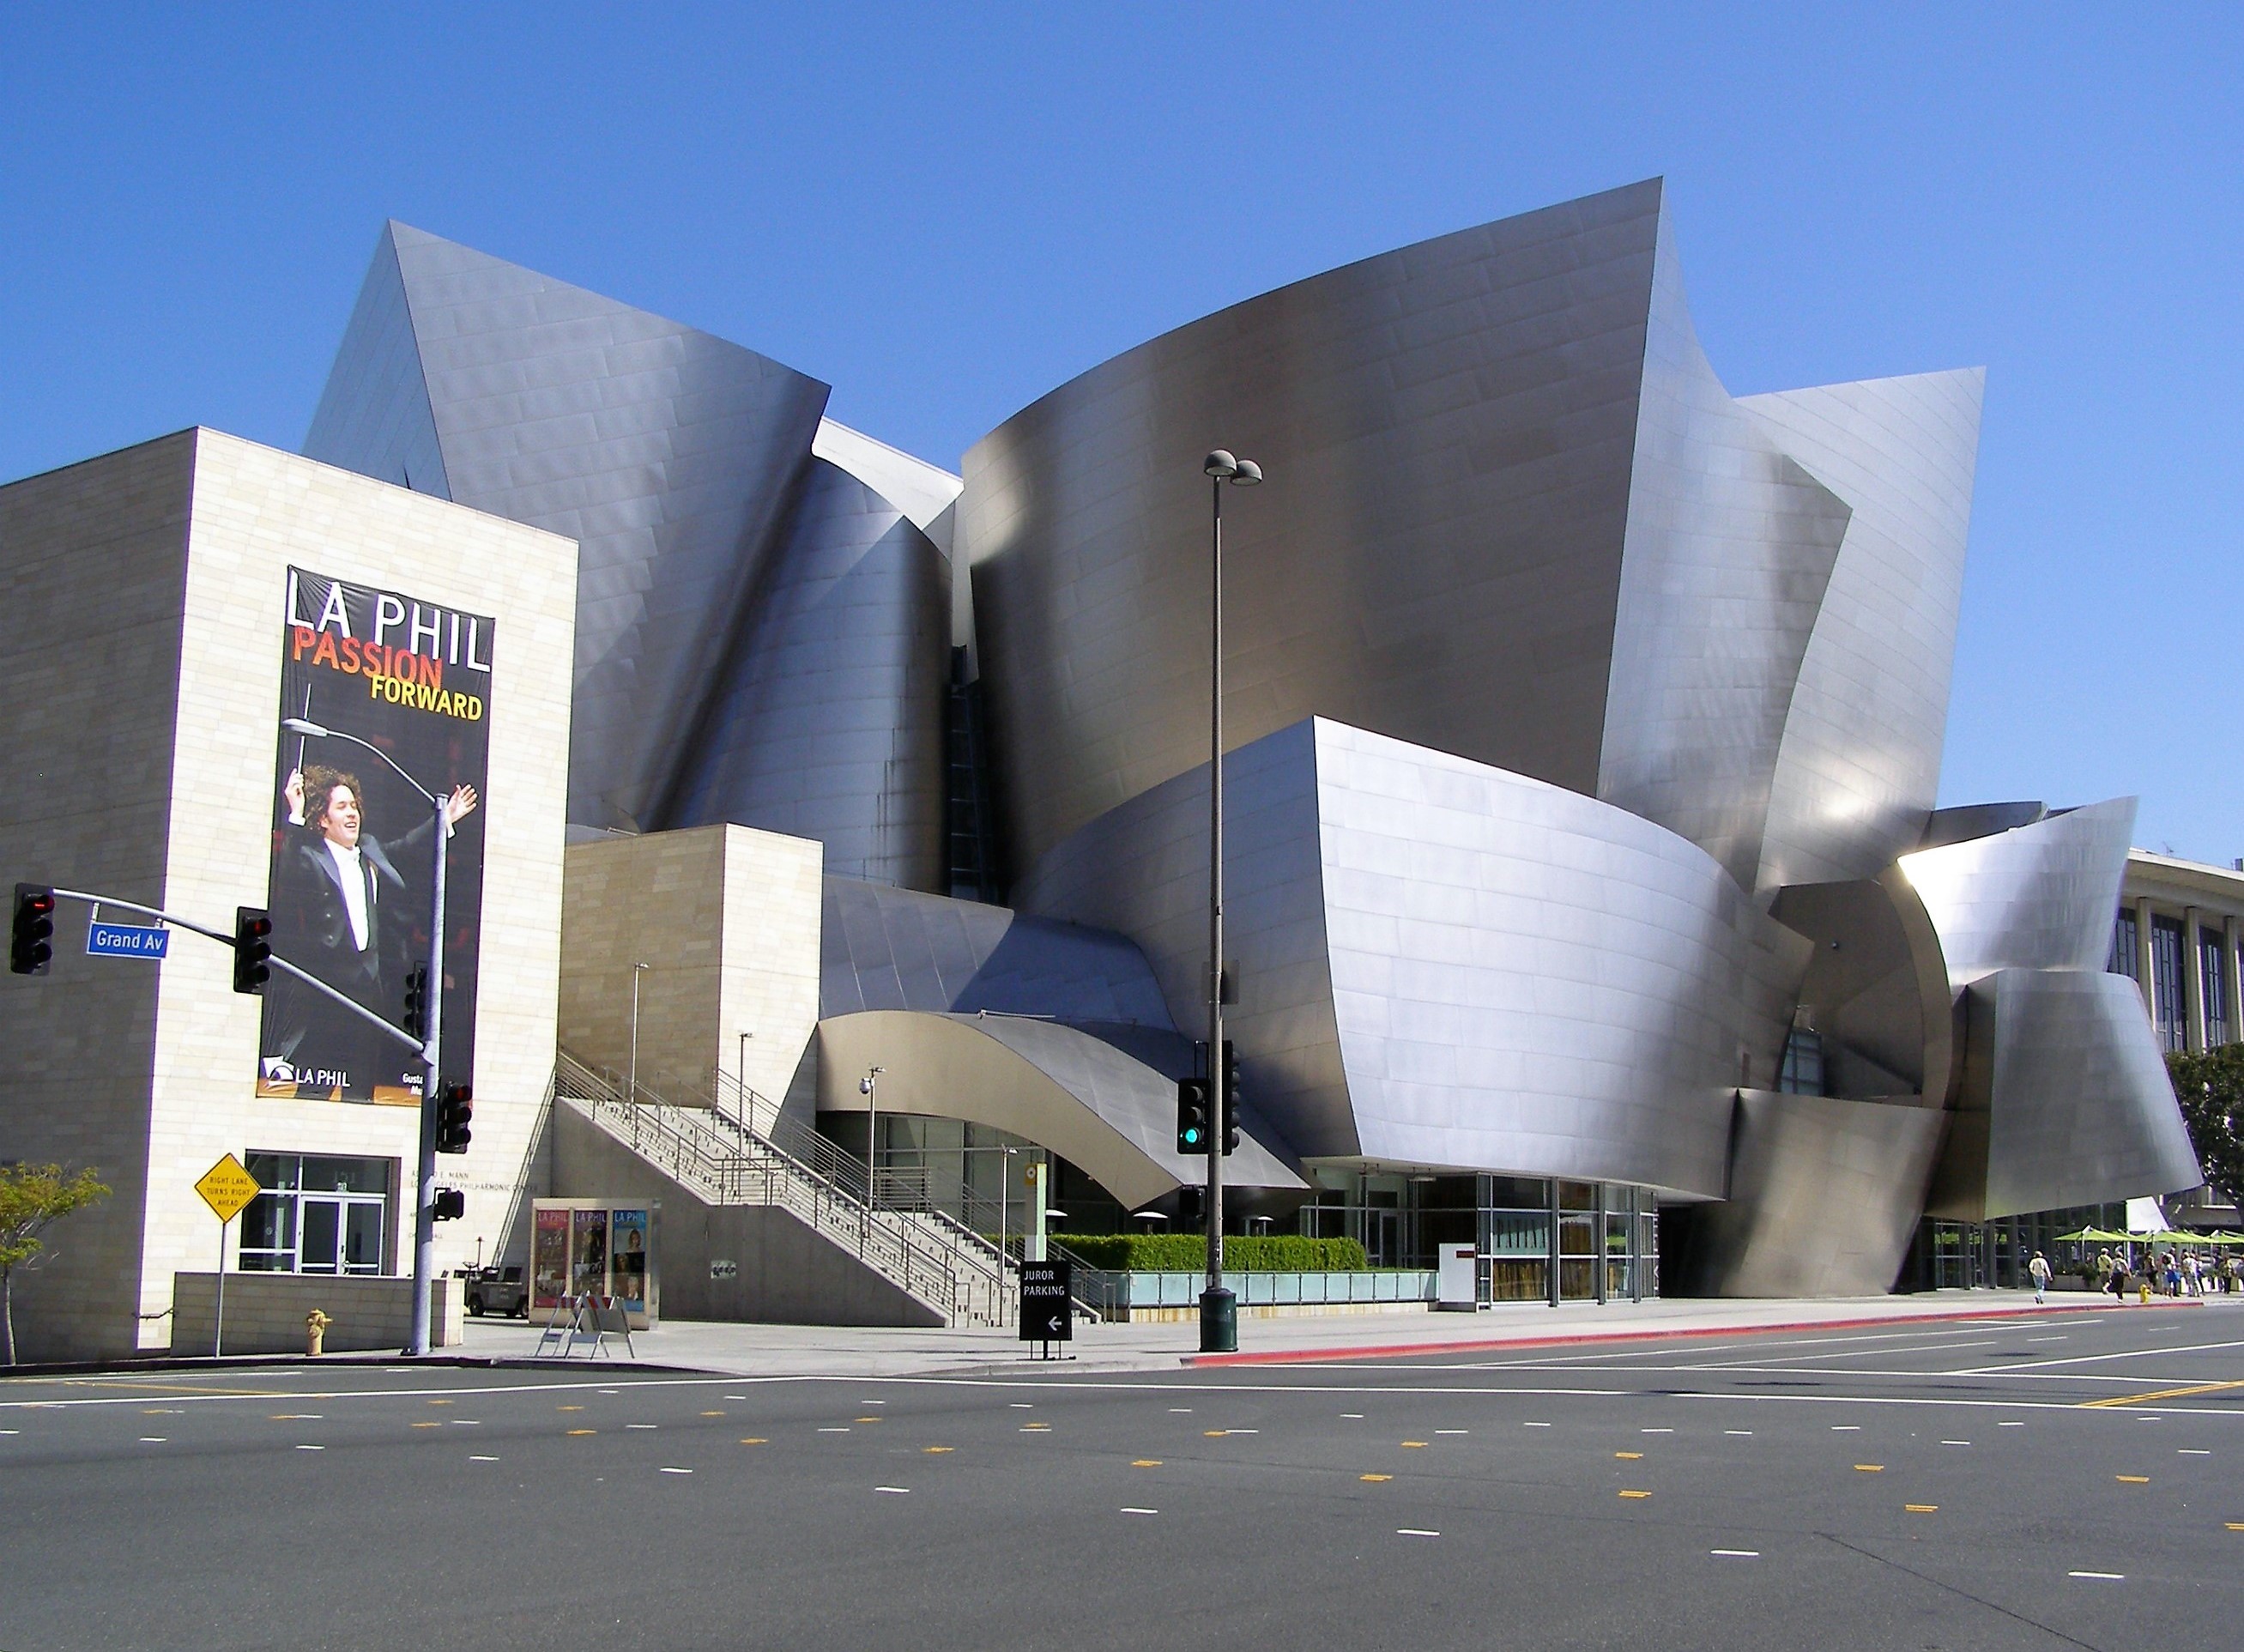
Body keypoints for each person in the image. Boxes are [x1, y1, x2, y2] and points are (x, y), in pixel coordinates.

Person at [268, 763, 478, 1096]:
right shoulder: (308, 856)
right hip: (326, 995)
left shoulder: (369, 849)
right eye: (341, 807)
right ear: (322, 819)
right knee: (315, 1089)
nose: (352, 813)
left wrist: (445, 820)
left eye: (354, 805)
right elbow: (288, 871)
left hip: (368, 993)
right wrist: (295, 814)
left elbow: (407, 847)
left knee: (361, 1089)